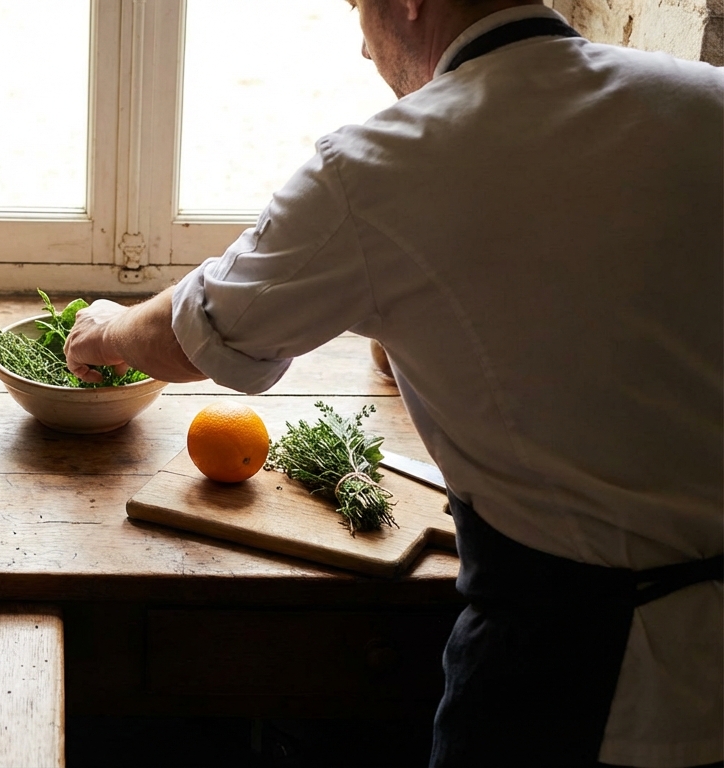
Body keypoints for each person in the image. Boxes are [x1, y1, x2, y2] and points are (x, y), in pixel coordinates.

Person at [63, 1, 723, 766]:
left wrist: (105, 330)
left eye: (358, 6)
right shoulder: (703, 97)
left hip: (587, 687)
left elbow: (202, 329)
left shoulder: (382, 163)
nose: (362, 46)